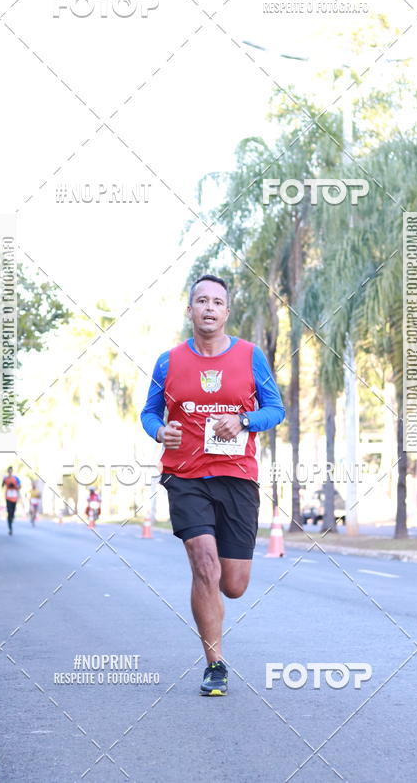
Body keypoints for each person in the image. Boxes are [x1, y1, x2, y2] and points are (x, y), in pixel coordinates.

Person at [141, 274, 285, 696]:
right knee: (204, 563)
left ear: (226, 312)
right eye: (201, 300)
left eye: (216, 302)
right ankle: (215, 664)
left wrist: (243, 419)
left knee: (233, 584)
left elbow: (275, 409)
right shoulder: (168, 361)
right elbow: (149, 412)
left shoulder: (250, 356)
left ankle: (221, 597)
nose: (208, 308)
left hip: (237, 476)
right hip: (185, 475)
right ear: (190, 311)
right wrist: (158, 432)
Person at [2, 467, 21, 535]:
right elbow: (2, 485)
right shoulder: (5, 478)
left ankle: (12, 518)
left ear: (12, 471)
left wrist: (14, 486)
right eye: (9, 471)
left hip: (14, 497)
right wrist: (6, 484)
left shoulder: (16, 478)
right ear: (7, 471)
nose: (10, 472)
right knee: (9, 512)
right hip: (8, 497)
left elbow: (20, 486)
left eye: (11, 471)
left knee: (12, 512)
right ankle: (10, 528)